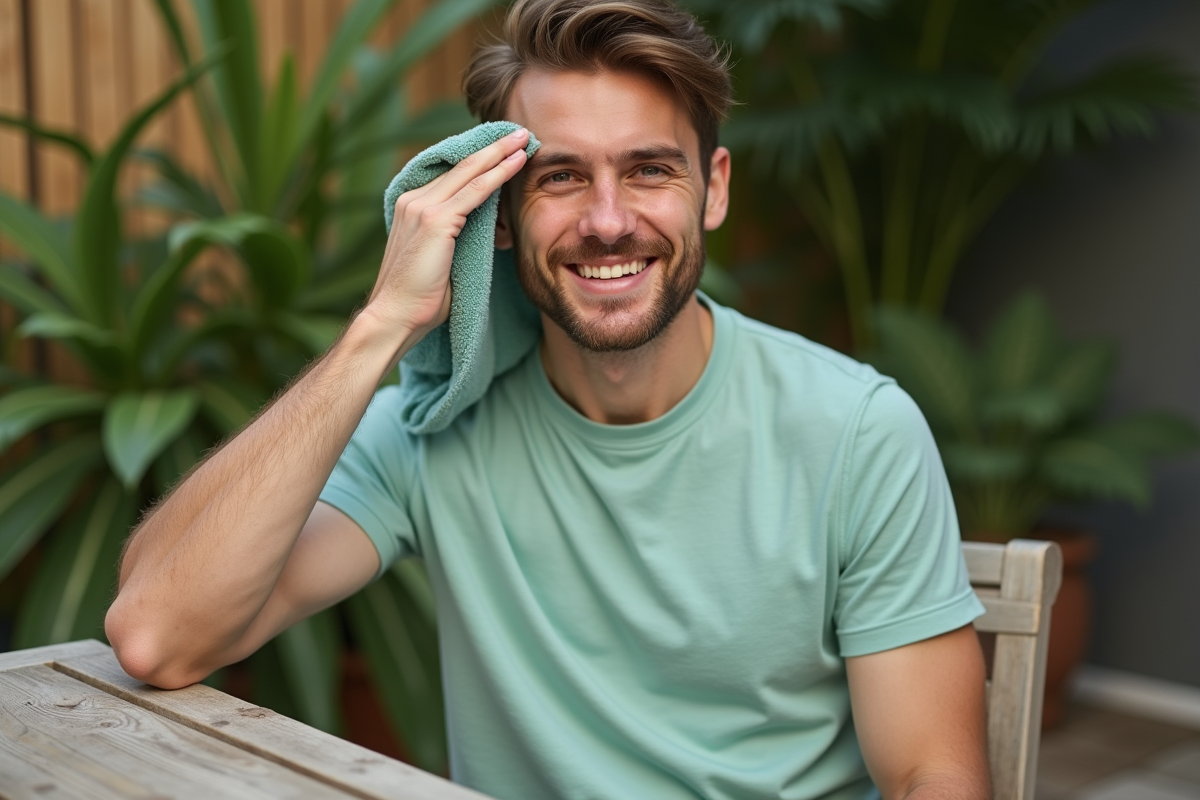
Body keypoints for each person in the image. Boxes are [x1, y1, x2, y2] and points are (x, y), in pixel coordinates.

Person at [107, 1, 991, 797]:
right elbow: (157, 637)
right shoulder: (436, 426)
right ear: (496, 210)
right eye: (561, 177)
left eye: (649, 170)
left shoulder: (855, 430)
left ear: (713, 187)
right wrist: (381, 328)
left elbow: (931, 774)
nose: (608, 220)